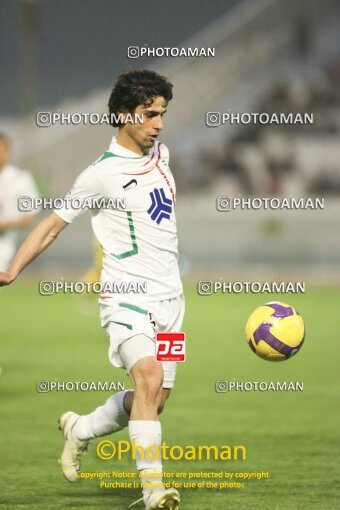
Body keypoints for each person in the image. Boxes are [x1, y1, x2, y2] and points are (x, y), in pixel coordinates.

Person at [0, 69, 184, 510]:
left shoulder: (162, 152)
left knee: (154, 401)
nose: (159, 123)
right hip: (125, 295)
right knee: (148, 376)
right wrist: (12, 269)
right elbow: (52, 225)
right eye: (149, 114)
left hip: (172, 300)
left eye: (162, 113)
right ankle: (153, 491)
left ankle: (78, 429)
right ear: (124, 115)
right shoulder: (100, 175)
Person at [0, 134, 39, 271]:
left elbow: (30, 216)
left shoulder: (20, 178)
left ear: (8, 151)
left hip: (5, 242)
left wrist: (7, 224)